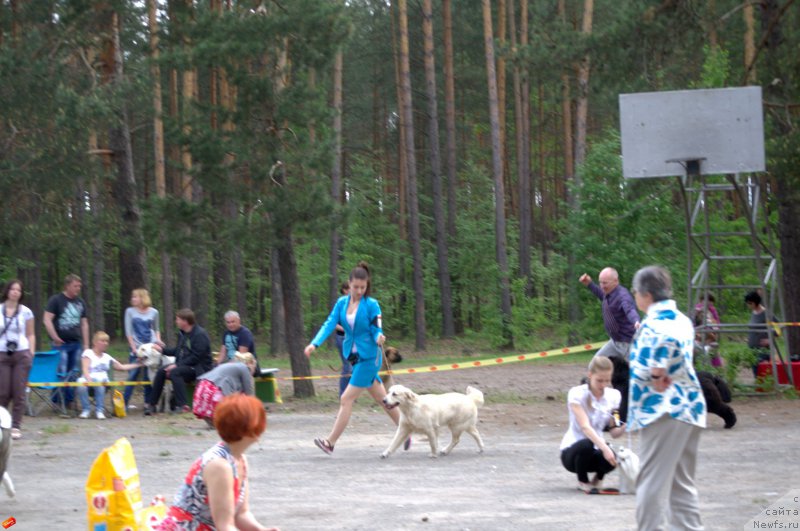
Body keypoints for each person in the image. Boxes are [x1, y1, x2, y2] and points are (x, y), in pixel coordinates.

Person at [628, 265, 706, 530]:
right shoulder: (682, 319)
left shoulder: (655, 325)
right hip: (689, 408)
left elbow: (663, 343)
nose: (635, 297)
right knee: (681, 485)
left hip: (663, 411)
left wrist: (655, 370)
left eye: (635, 292)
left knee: (649, 482)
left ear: (646, 294)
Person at [304, 262, 407, 455]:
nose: (359, 291)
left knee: (346, 398)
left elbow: (377, 327)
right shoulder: (341, 303)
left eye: (363, 287)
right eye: (356, 287)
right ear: (349, 285)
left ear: (367, 285)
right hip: (353, 356)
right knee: (382, 399)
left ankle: (330, 442)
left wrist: (379, 336)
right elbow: (329, 324)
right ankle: (406, 430)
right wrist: (314, 344)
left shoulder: (372, 304)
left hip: (369, 358)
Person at [156, 394, 279, 531]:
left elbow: (241, 514)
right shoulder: (219, 466)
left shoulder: (240, 459)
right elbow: (225, 526)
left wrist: (261, 530)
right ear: (250, 428)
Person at [560, 356, 626, 493]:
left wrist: (628, 425)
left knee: (613, 456)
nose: (603, 385)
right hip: (573, 452)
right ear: (590, 375)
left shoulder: (614, 396)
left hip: (596, 450)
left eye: (607, 381)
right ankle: (582, 481)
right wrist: (605, 448)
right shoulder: (576, 394)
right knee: (587, 444)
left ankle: (597, 480)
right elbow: (585, 427)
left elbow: (614, 432)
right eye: (599, 380)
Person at [145, 309, 213, 416]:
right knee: (161, 371)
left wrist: (176, 365)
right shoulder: (184, 334)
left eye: (178, 319)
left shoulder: (200, 334)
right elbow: (177, 351)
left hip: (199, 368)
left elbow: (196, 357)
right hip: (186, 366)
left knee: (175, 372)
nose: (176, 321)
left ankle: (182, 406)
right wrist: (162, 350)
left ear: (185, 321)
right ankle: (152, 405)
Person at [43, 273, 90, 406]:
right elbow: (47, 319)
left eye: (79, 286)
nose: (78, 288)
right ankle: (57, 400)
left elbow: (84, 323)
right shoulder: (56, 300)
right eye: (75, 286)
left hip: (76, 343)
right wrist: (54, 337)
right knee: (61, 372)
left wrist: (86, 344)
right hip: (60, 344)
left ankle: (69, 400)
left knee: (74, 372)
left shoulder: (80, 302)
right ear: (67, 286)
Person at [77, 331, 143, 420]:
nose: (105, 343)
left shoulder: (107, 357)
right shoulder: (88, 353)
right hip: (88, 380)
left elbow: (122, 367)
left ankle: (99, 410)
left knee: (99, 380)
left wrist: (139, 364)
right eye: (102, 341)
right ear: (95, 342)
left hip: (102, 381)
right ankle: (86, 410)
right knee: (80, 382)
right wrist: (88, 379)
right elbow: (85, 368)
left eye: (106, 341)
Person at [0, 279, 36, 440]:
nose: (15, 292)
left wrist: (31, 352)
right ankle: (2, 423)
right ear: (7, 291)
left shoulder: (26, 312)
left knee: (19, 391)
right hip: (2, 353)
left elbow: (30, 334)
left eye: (18, 290)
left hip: (21, 353)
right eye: (13, 289)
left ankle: (16, 425)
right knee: (3, 391)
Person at [580, 267, 640, 359]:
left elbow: (629, 309)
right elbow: (600, 294)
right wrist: (589, 284)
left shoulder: (622, 296)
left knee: (636, 371)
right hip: (615, 342)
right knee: (596, 365)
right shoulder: (608, 293)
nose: (602, 286)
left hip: (628, 344)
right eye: (600, 282)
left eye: (605, 283)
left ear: (615, 281)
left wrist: (636, 320)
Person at [194, 352, 258, 427]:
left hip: (202, 387)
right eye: (254, 367)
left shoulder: (228, 365)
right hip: (215, 391)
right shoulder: (244, 368)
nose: (254, 371)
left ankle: (214, 423)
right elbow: (249, 392)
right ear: (250, 364)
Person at [123, 288, 162, 409]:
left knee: (148, 376)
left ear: (142, 298)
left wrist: (158, 343)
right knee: (132, 376)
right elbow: (128, 331)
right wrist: (133, 348)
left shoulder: (154, 312)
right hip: (136, 348)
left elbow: (156, 330)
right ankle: (123, 403)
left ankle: (148, 403)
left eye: (135, 297)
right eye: (132, 297)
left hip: (150, 349)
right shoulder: (130, 311)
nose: (132, 299)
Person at [745, 291, 771, 377]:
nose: (748, 305)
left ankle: (765, 387)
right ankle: (759, 387)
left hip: (762, 349)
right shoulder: (753, 312)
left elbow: (778, 327)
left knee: (762, 369)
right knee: (755, 369)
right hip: (752, 348)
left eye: (749, 303)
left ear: (755, 302)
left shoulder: (766, 313)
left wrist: (769, 339)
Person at [693, 293, 722, 368]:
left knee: (713, 351)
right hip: (699, 336)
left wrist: (715, 329)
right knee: (698, 352)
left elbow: (716, 323)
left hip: (710, 336)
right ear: (702, 301)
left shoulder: (712, 310)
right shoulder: (698, 310)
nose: (709, 303)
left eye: (711, 301)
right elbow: (694, 323)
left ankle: (717, 368)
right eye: (707, 301)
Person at [335, 281, 352, 397]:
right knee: (347, 367)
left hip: (352, 339)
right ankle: (343, 394)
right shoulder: (340, 303)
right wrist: (346, 330)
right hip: (342, 338)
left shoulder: (354, 304)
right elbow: (334, 324)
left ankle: (350, 393)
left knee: (354, 367)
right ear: (345, 290)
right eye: (350, 289)